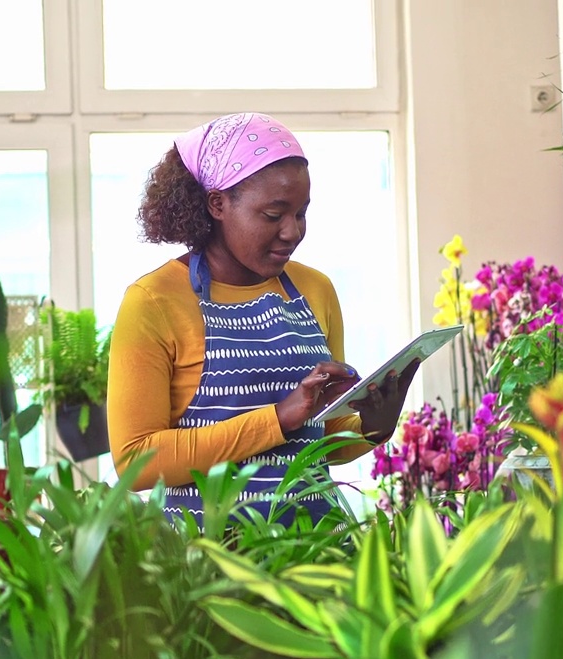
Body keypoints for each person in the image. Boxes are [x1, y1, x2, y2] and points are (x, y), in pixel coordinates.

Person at [107, 112, 417, 522]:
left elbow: (323, 441)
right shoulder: (153, 301)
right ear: (217, 203)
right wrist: (278, 419)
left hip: (313, 553)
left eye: (301, 213)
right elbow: (136, 463)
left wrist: (372, 427)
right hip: (203, 565)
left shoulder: (315, 290)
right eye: (274, 215)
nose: (292, 232)